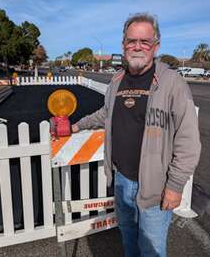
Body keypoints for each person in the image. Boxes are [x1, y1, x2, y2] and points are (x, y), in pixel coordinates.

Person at [72, 13, 201, 257]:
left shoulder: (172, 83)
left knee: (151, 249)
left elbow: (189, 142)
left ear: (156, 46)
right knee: (129, 240)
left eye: (145, 41)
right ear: (123, 45)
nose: (138, 46)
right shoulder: (117, 79)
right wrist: (77, 126)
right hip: (121, 181)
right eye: (132, 41)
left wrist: (174, 186)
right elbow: (105, 113)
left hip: (156, 185)